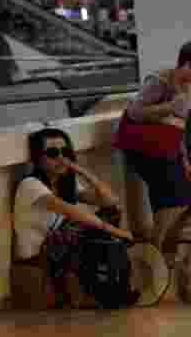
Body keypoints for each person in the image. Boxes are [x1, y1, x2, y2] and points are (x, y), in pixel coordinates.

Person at [115, 40, 191, 261]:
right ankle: (154, 248)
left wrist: (184, 158)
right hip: (143, 149)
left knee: (177, 198)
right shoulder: (160, 81)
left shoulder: (185, 87)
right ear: (188, 65)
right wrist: (169, 106)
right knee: (176, 199)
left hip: (164, 150)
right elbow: (134, 112)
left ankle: (158, 248)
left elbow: (177, 127)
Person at [14, 128, 135, 308]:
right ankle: (104, 293)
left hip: (58, 245)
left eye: (66, 152)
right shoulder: (31, 185)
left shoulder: (64, 184)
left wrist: (80, 170)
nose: (61, 158)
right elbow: (72, 212)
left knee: (110, 213)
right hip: (40, 252)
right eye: (53, 153)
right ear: (38, 158)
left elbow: (110, 200)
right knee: (91, 229)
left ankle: (114, 289)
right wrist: (116, 231)